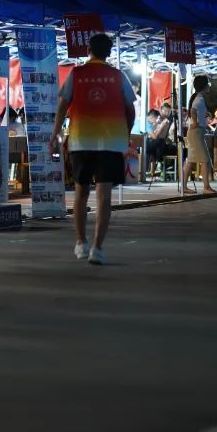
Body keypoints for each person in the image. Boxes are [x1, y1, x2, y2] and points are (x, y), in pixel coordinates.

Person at [50, 33, 136, 265]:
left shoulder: (76, 74)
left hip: (81, 141)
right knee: (104, 196)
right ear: (108, 53)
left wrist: (55, 133)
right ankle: (97, 247)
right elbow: (130, 109)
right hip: (111, 143)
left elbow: (62, 106)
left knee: (81, 193)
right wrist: (125, 134)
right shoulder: (118, 76)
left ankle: (81, 242)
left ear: (89, 50)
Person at [182, 75, 216, 194]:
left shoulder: (198, 98)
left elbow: (194, 110)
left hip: (196, 133)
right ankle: (206, 187)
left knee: (191, 160)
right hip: (196, 132)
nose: (209, 87)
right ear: (204, 86)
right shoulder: (199, 99)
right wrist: (196, 122)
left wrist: (203, 116)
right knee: (205, 160)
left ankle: (184, 186)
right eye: (208, 84)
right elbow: (193, 110)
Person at [144, 104, 177, 177]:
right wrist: (161, 125)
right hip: (153, 142)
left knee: (176, 149)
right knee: (159, 142)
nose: (167, 113)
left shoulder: (169, 120)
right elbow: (154, 135)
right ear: (161, 110)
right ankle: (158, 163)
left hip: (161, 143)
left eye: (169, 111)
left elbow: (167, 134)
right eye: (165, 111)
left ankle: (165, 167)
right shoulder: (156, 119)